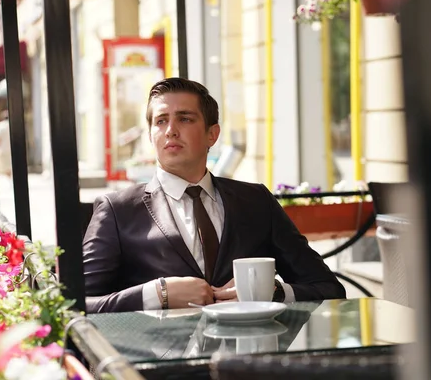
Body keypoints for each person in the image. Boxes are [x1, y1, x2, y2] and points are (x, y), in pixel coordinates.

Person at [83, 78, 345, 313]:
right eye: (161, 121)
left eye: (185, 118)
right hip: (158, 363)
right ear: (151, 135)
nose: (171, 130)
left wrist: (274, 293)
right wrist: (156, 294)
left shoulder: (256, 201)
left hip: (248, 358)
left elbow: (328, 288)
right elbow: (77, 303)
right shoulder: (117, 210)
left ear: (212, 134)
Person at [0, 110, 12, 177]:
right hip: (11, 149)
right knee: (9, 168)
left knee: (2, 169)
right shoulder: (13, 125)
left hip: (2, 149)